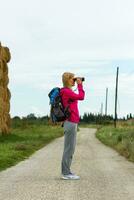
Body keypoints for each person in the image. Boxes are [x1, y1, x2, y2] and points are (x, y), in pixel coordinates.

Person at [60, 72, 85, 180]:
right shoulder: (66, 91)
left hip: (72, 122)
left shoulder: (67, 91)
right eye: (72, 79)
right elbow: (81, 96)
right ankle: (65, 173)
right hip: (70, 122)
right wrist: (80, 85)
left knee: (71, 148)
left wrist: (77, 84)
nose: (74, 80)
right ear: (67, 80)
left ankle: (67, 171)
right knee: (69, 148)